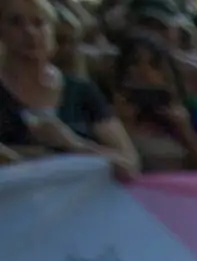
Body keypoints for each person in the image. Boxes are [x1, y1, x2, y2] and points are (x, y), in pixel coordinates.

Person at [0, 0, 134, 174]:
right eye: (16, 22)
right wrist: (24, 156)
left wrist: (72, 144)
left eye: (39, 23)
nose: (30, 31)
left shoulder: (81, 91)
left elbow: (129, 163)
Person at [113, 32, 197, 168]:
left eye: (153, 65)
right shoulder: (111, 116)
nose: (144, 72)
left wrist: (185, 131)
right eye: (135, 63)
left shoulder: (191, 113)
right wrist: (123, 124)